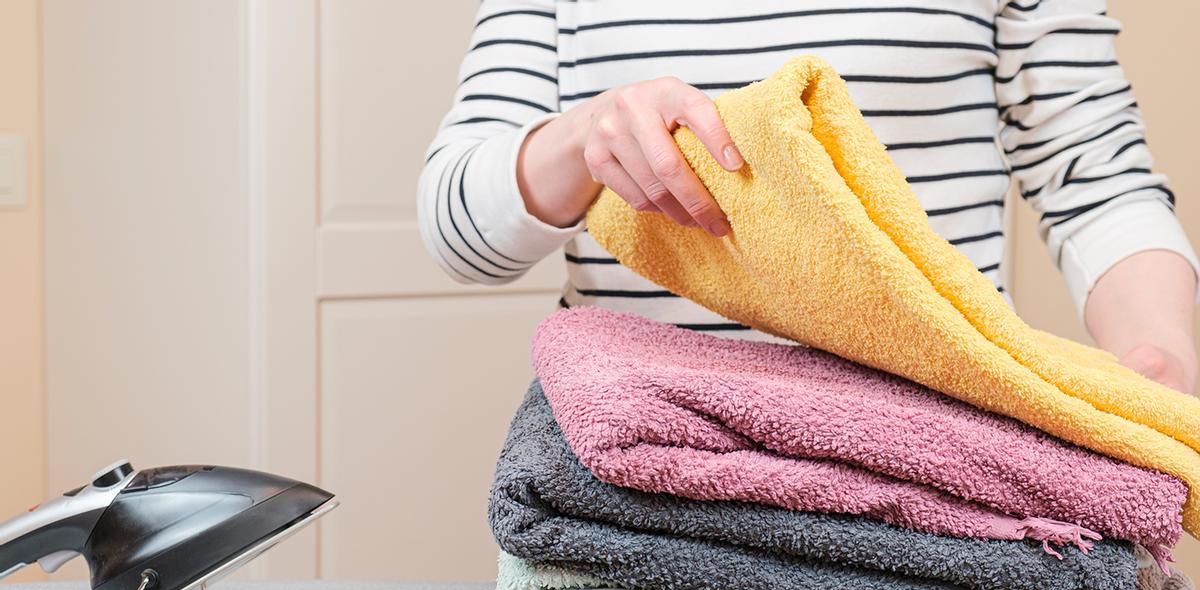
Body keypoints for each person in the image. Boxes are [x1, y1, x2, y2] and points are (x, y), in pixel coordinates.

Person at [417, 1, 1199, 393]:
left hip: (943, 439)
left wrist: (1162, 364)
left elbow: (1096, 179)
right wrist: (585, 133)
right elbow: (457, 232)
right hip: (643, 450)